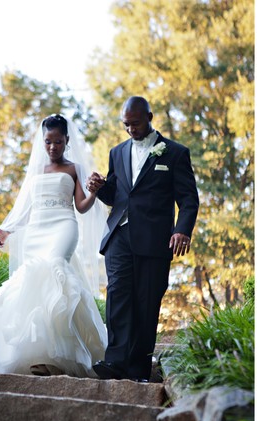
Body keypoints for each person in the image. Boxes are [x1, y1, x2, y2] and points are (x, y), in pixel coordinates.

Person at [0, 114, 108, 377]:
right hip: (36, 230)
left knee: (56, 271)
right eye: (48, 141)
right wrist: (7, 229)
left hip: (63, 226)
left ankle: (63, 353)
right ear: (42, 141)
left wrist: (94, 191)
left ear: (66, 140)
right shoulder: (36, 170)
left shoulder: (74, 168)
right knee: (32, 282)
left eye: (58, 142)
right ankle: (38, 354)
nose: (52, 147)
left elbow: (81, 207)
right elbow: (25, 208)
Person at [87, 96, 199, 382]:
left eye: (135, 123)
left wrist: (182, 230)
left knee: (146, 303)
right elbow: (116, 196)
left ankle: (138, 369)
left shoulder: (175, 153)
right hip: (119, 236)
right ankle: (115, 362)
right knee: (118, 297)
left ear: (149, 116)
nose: (130, 130)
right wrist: (100, 188)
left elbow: (188, 199)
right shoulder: (117, 152)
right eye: (126, 124)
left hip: (155, 241)